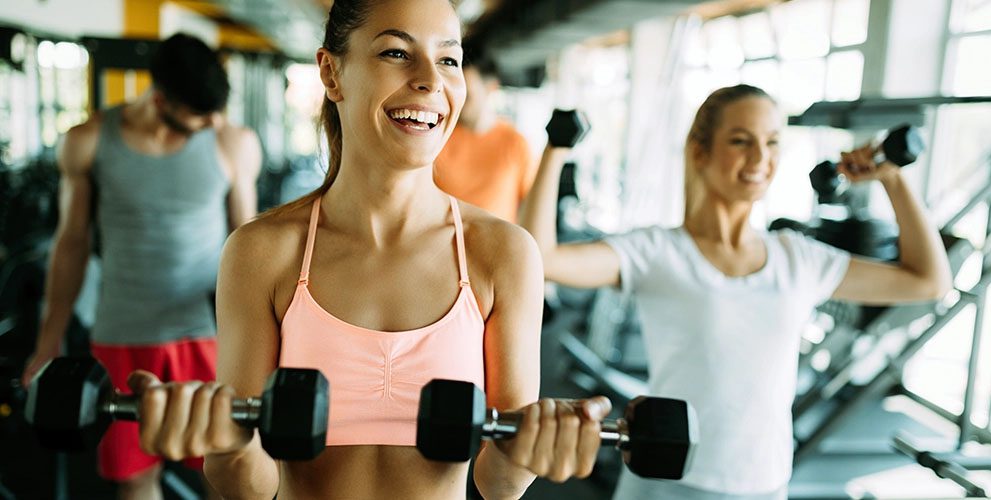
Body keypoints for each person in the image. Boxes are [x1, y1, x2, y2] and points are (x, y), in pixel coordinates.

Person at [120, 1, 611, 499]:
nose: (430, 80)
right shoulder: (261, 252)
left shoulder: (503, 255)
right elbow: (249, 486)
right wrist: (227, 445)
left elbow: (498, 483)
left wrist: (535, 446)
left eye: (448, 59)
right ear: (332, 74)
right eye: (397, 52)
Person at [520, 84, 952, 500]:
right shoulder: (656, 251)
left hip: (763, 482)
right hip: (664, 480)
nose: (760, 158)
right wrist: (555, 149)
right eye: (741, 141)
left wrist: (892, 180)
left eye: (772, 142)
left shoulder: (798, 259)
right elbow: (541, 257)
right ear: (701, 152)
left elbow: (928, 281)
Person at [21, 33, 262, 499]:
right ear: (159, 100)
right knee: (134, 480)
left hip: (207, 332)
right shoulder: (88, 141)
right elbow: (71, 243)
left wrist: (267, 340)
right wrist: (48, 339)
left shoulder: (232, 143)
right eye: (200, 117)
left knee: (223, 470)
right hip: (121, 333)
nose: (214, 122)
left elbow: (248, 246)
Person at [434, 50, 536, 223]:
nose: (457, 102)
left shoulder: (516, 143)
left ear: (491, 88)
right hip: (444, 247)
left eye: (467, 95)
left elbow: (529, 209)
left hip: (497, 247)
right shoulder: (438, 136)